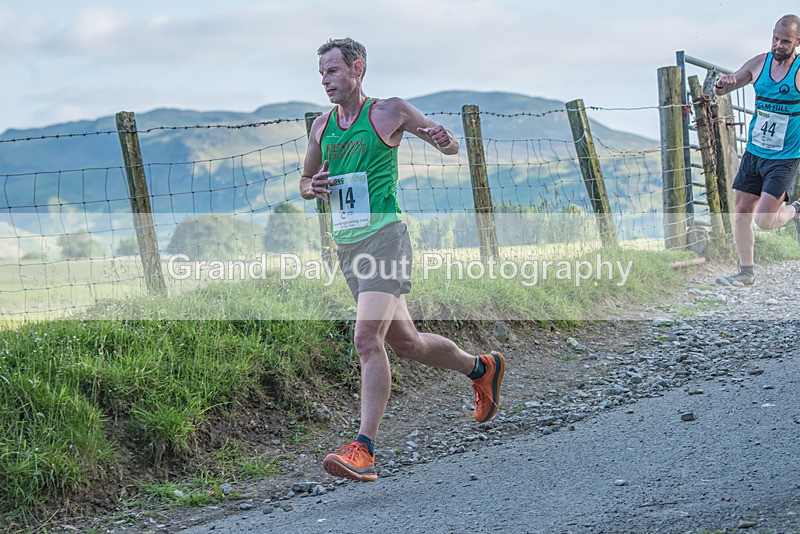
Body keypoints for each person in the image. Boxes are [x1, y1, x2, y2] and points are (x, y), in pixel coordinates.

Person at [299, 38, 505, 482]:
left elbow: (444, 144)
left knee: (365, 339)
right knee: (406, 343)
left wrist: (446, 142)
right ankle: (481, 368)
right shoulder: (321, 126)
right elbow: (303, 181)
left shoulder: (389, 111)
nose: (325, 81)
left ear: (357, 69)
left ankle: (364, 448)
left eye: (332, 72)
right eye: (321, 74)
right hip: (348, 246)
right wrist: (311, 185)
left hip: (386, 239)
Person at [714, 14, 800, 287]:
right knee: (740, 212)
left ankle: (796, 209)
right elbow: (726, 86)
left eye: (785, 41)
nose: (778, 45)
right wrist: (722, 84)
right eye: (775, 38)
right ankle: (746, 272)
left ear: (797, 42)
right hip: (754, 153)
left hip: (784, 158)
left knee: (764, 220)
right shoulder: (759, 63)